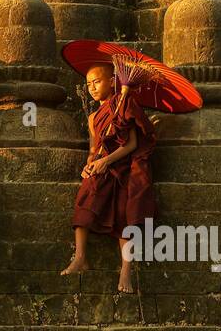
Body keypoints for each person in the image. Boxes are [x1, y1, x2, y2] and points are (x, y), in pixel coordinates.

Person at [60, 62, 157, 292]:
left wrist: (106, 161)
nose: (92, 88)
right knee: (85, 198)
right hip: (101, 166)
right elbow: (93, 149)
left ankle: (126, 270)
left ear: (112, 81)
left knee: (125, 212)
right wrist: (89, 165)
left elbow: (132, 144)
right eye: (88, 84)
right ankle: (81, 257)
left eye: (97, 81)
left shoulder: (124, 104)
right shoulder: (94, 116)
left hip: (124, 166)